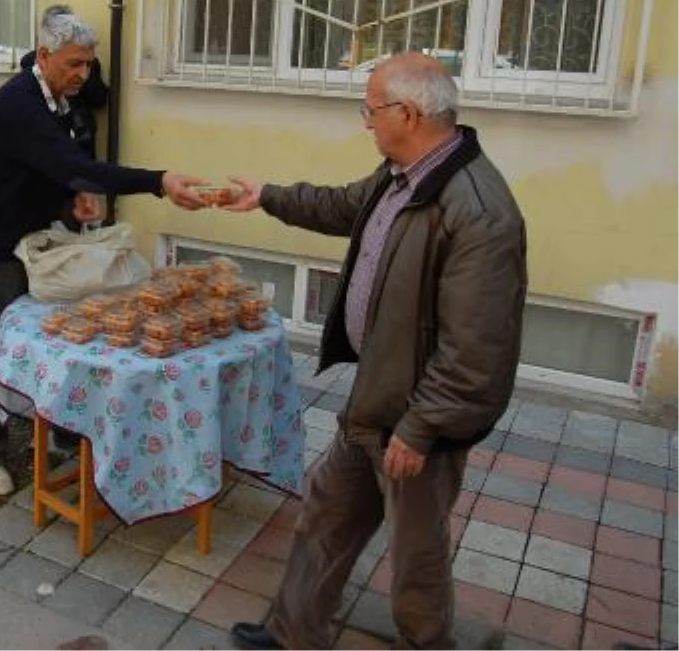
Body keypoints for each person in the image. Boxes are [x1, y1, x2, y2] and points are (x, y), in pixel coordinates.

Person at [223, 52, 528, 651]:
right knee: (326, 517)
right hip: (374, 403)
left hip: (413, 425)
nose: (364, 120)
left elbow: (476, 353)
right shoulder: (401, 174)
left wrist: (421, 429)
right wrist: (267, 196)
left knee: (417, 560)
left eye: (370, 108)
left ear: (408, 113)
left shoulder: (479, 211)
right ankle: (293, 635)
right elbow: (340, 206)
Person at [0, 4, 206, 496]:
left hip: (45, 246)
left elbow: (56, 171)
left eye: (88, 64)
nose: (83, 74)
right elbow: (71, 163)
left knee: (57, 344)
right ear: (44, 55)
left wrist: (74, 203)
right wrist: (160, 182)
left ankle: (60, 433)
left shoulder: (59, 100)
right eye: (74, 64)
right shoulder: (18, 106)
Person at [19, 49, 106, 160]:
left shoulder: (32, 59)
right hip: (73, 127)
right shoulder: (88, 61)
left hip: (71, 127)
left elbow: (98, 98)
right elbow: (98, 99)